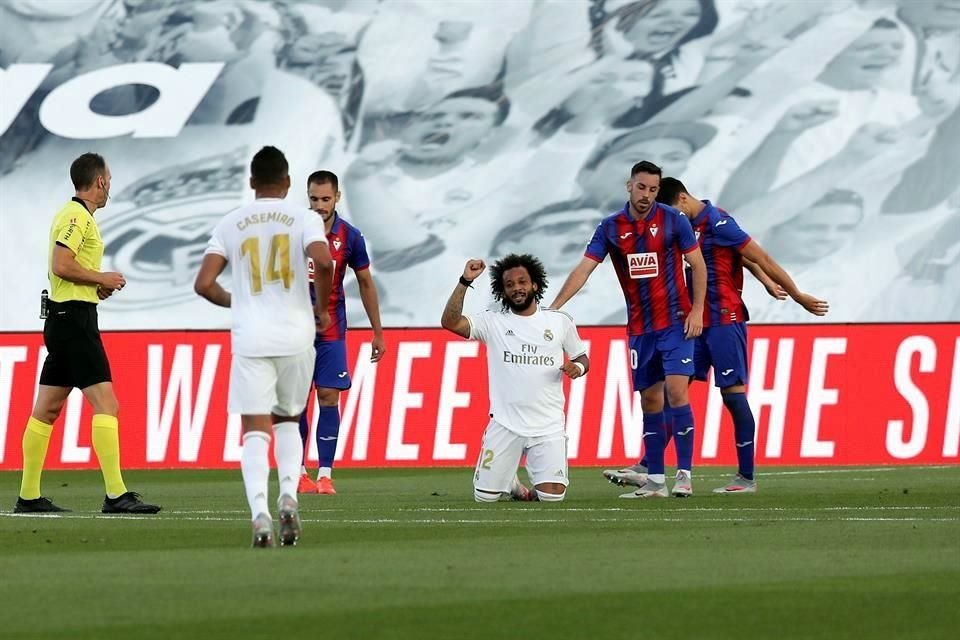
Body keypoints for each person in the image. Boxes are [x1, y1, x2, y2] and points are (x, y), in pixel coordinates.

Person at [607, 177, 828, 493]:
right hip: (692, 322)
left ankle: (746, 477)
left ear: (683, 199)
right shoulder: (682, 225)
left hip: (724, 320)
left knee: (732, 395)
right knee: (675, 390)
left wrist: (797, 294)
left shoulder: (718, 221)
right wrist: (763, 280)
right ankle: (647, 466)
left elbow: (757, 254)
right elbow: (748, 261)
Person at [194, 146, 333, 547]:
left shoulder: (231, 223)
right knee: (289, 420)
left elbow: (204, 284)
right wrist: (321, 308)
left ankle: (260, 514)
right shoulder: (303, 217)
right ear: (288, 182)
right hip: (295, 335)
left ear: (252, 182)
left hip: (252, 338)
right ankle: (289, 495)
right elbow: (323, 263)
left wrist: (237, 301)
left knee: (255, 430)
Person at [14, 152, 161, 515]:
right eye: (108, 179)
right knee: (107, 405)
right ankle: (116, 495)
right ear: (99, 182)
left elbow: (66, 273)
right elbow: (61, 264)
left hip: (65, 318)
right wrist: (102, 278)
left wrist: (94, 288)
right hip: (74, 324)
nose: (109, 185)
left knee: (46, 410)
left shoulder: (77, 215)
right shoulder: (77, 215)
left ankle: (28, 496)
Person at [550, 160, 707, 498]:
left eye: (653, 189)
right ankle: (654, 482)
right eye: (641, 187)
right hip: (640, 329)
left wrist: (697, 311)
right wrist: (554, 308)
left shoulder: (673, 219)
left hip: (676, 323)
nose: (647, 195)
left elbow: (697, 264)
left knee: (677, 393)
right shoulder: (611, 227)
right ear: (629, 185)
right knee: (650, 401)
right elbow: (584, 269)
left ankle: (684, 475)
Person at [440, 254, 589, 503]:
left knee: (552, 499)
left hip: (548, 427)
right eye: (509, 284)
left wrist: (577, 367)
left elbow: (583, 358)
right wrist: (465, 281)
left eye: (522, 282)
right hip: (505, 426)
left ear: (535, 285)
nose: (517, 288)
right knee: (485, 499)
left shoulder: (559, 322)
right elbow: (450, 322)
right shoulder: (493, 322)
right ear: (503, 290)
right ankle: (511, 484)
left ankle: (515, 481)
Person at [296, 170, 386, 495]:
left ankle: (325, 474)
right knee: (297, 401)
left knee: (328, 396)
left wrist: (378, 332)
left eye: (325, 199)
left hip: (332, 330)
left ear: (337, 197)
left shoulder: (350, 236)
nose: (319, 205)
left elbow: (365, 282)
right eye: (314, 199)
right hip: (296, 331)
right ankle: (298, 472)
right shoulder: (294, 232)